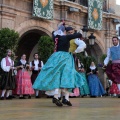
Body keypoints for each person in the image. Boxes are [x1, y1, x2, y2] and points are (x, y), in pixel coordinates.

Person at [33, 22, 84, 107]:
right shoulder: (66, 37)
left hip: (55, 57)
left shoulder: (55, 37)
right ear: (65, 31)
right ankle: (63, 97)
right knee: (67, 75)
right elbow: (78, 35)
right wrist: (80, 30)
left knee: (57, 75)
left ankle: (61, 97)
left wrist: (59, 26)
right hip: (65, 57)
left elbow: (54, 32)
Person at [65, 26, 86, 97]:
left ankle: (69, 93)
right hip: (62, 57)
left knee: (70, 73)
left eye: (71, 32)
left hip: (70, 57)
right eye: (69, 33)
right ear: (66, 33)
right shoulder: (63, 38)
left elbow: (83, 44)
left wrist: (76, 51)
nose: (70, 34)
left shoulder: (75, 40)